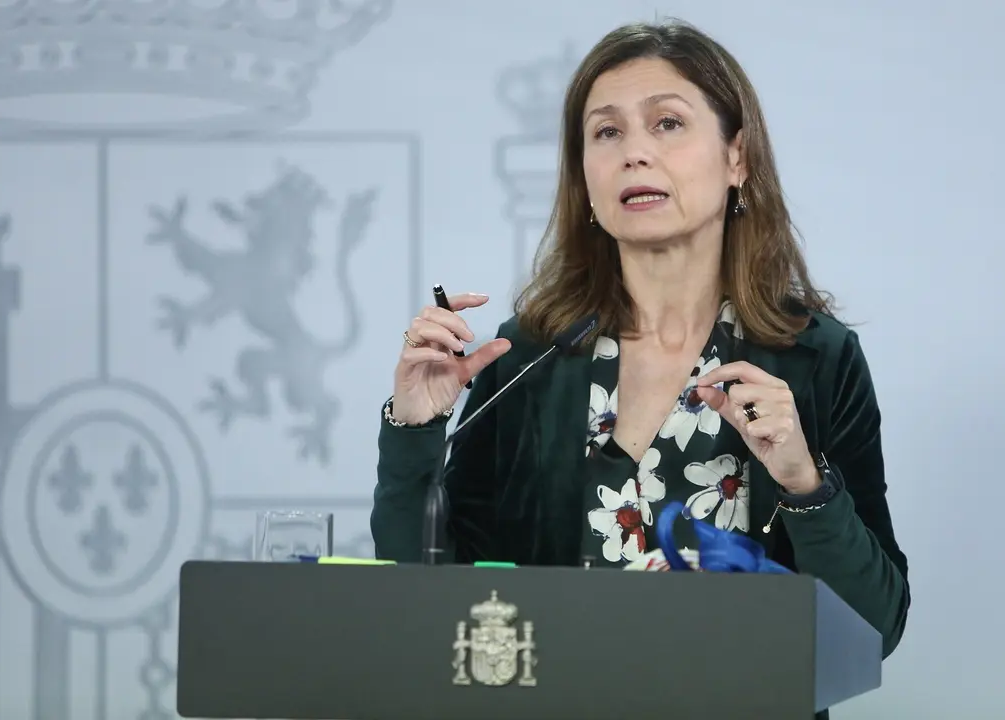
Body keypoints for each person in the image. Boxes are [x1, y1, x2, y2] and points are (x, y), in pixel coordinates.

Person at [371, 18, 910, 662]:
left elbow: (873, 630)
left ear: (737, 157)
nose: (634, 151)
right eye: (606, 132)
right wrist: (413, 431)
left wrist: (804, 482)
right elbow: (429, 601)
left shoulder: (817, 359)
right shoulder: (531, 357)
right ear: (586, 179)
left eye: (668, 123)